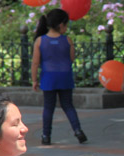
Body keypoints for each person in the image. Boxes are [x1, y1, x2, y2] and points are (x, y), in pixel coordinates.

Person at [31, 8, 87, 146]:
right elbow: (71, 58)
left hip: (48, 78)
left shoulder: (40, 41)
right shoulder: (67, 40)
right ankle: (78, 130)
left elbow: (35, 62)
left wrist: (34, 80)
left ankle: (46, 136)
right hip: (65, 77)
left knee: (48, 107)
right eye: (66, 25)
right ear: (61, 25)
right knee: (68, 105)